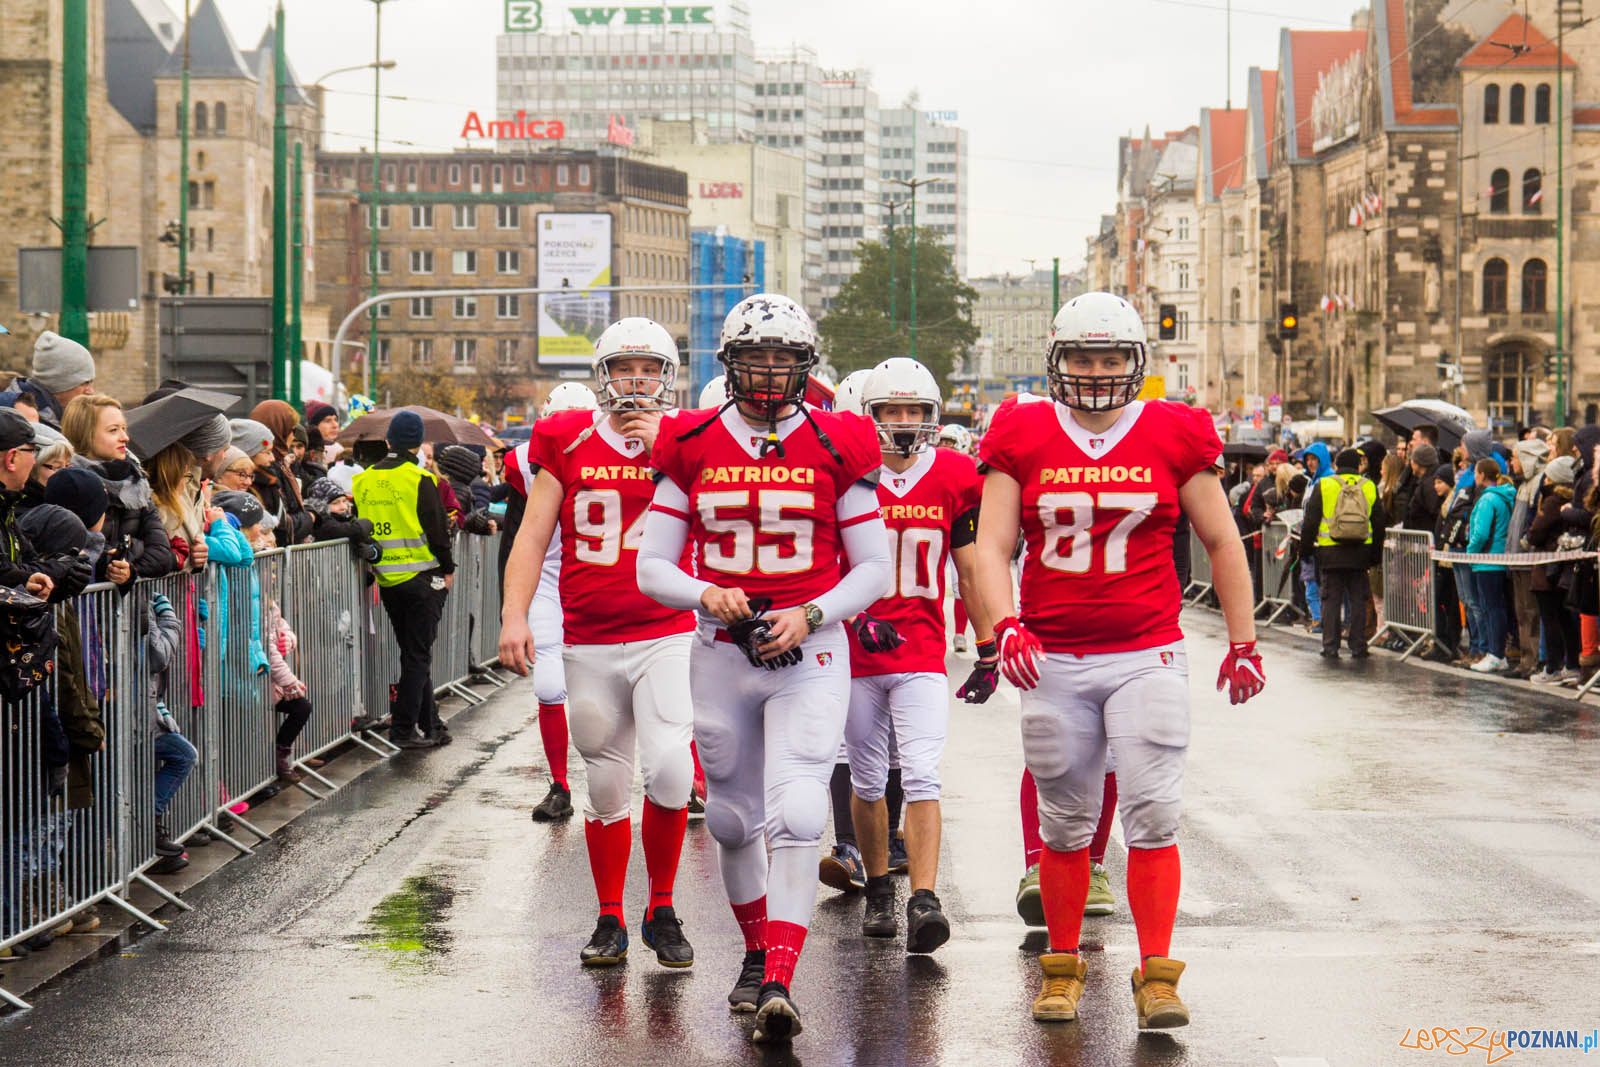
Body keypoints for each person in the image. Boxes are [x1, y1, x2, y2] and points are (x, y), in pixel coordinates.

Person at [975, 291, 1264, 1030]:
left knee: (1154, 814)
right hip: (1056, 655)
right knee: (1064, 825)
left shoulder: (1171, 430)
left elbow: (1224, 540)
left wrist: (1244, 640)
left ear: (1136, 362)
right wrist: (1004, 622)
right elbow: (990, 545)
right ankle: (1064, 968)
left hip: (1146, 652)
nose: (1096, 371)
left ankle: (1158, 974)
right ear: (1058, 361)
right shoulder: (1026, 429)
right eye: (1082, 357)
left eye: (1109, 357)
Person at [636, 294, 892, 1043]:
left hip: (809, 648)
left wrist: (811, 613)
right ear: (733, 362)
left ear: (805, 364)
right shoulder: (691, 438)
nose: (772, 372)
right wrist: (703, 590)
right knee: (729, 816)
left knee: (802, 807)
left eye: (785, 358)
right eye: (758, 358)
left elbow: (874, 567)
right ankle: (754, 953)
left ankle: (780, 972)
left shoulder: (839, 440)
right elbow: (653, 566)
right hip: (721, 650)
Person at [499, 317, 699, 972]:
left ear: (667, 378)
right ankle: (611, 913)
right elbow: (532, 534)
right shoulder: (565, 435)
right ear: (603, 375)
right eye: (624, 368)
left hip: (665, 630)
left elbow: (719, 521)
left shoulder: (688, 437)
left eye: (648, 369)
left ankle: (661, 905)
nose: (636, 381)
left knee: (670, 767)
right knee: (607, 784)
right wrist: (513, 614)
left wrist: (666, 450)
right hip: (588, 633)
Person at [840, 357, 993, 954]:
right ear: (870, 415)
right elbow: (829, 565)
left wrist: (987, 647)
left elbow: (970, 568)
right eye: (891, 410)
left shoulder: (954, 474)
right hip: (856, 652)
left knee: (924, 773)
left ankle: (924, 898)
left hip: (924, 650)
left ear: (932, 417)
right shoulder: (850, 473)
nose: (903, 422)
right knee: (869, 776)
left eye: (914, 411)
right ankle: (880, 888)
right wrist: (855, 614)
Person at [503, 382, 599, 822]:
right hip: (548, 580)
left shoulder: (624, 449)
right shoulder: (524, 463)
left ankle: (684, 779)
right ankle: (559, 783)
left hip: (599, 579)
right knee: (548, 686)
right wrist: (512, 611)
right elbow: (520, 533)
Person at [351, 411, 455, 750]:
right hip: (424, 577)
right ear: (419, 443)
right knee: (418, 656)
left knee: (412, 654)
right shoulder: (420, 478)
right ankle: (404, 730)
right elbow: (437, 529)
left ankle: (431, 724)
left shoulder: (363, 479)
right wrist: (448, 566)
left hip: (388, 579)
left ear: (388, 440)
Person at [62, 394, 177, 584]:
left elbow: (163, 556)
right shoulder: (69, 485)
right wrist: (136, 548)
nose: (125, 437)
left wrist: (130, 570)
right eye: (113, 430)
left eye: (124, 429)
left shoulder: (138, 482)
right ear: (85, 434)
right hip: (86, 605)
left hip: (131, 608)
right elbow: (81, 554)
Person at [1300, 447, 1386, 659]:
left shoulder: (1325, 485)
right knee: (1358, 599)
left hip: (1330, 552)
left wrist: (1306, 550)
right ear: (1358, 466)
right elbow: (1379, 523)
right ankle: (1358, 645)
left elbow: (1310, 522)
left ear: (1336, 466)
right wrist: (1376, 554)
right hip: (1360, 552)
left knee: (1330, 600)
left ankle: (1330, 646)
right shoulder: (1369, 486)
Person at [1527, 455, 1581, 684]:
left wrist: (1529, 535)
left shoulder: (1551, 501)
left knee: (1550, 619)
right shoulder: (1572, 499)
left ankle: (1552, 668)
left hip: (1546, 568)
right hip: (1562, 568)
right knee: (1565, 618)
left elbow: (1535, 533)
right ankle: (1572, 665)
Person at [1466, 457, 1516, 672]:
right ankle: (1498, 653)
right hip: (1499, 560)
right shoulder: (1505, 497)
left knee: (1491, 608)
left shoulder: (1487, 500)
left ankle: (1495, 654)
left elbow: (1481, 533)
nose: (1474, 476)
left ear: (1482, 475)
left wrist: (1470, 551)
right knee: (1497, 608)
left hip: (1486, 561)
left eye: (1476, 472)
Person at [1506, 439, 1551, 677]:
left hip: (1528, 557)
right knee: (1521, 610)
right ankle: (1525, 658)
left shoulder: (1537, 483)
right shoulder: (1522, 485)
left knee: (1531, 612)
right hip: (1517, 557)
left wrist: (1525, 542)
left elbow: (1533, 519)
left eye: (1515, 458)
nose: (1512, 463)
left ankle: (1533, 659)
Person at [250, 400, 313, 546]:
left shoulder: (282, 464)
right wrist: (311, 517)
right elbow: (281, 521)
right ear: (279, 430)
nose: (293, 436)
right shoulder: (267, 468)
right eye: (292, 430)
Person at [10, 331, 96, 429]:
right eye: (85, 383)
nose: (91, 392)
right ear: (61, 382)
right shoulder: (17, 424)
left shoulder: (49, 414)